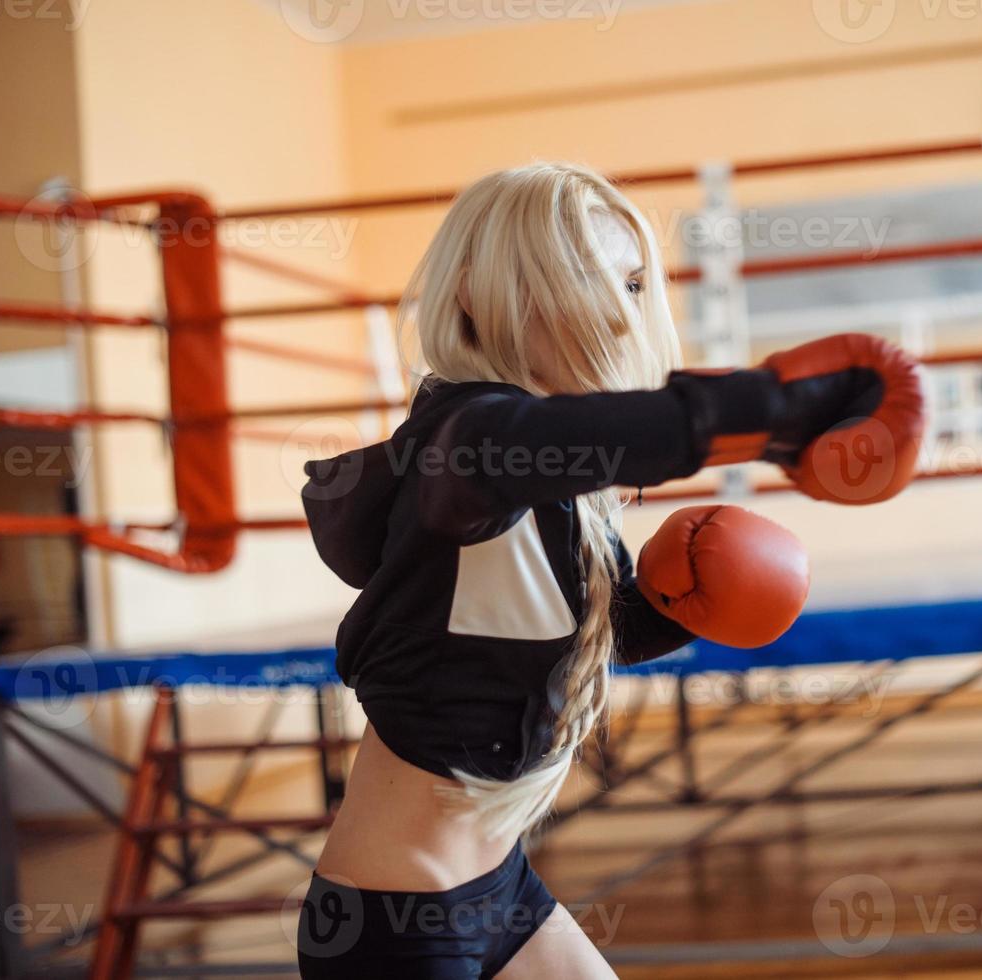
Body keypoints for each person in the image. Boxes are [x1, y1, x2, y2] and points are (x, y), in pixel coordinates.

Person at [296, 162, 921, 978]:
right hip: (393, 924)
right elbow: (619, 433)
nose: (617, 313)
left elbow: (584, 635)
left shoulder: (562, 488)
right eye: (576, 279)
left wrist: (678, 603)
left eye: (630, 282)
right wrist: (776, 410)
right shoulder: (466, 442)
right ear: (482, 296)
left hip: (498, 888)